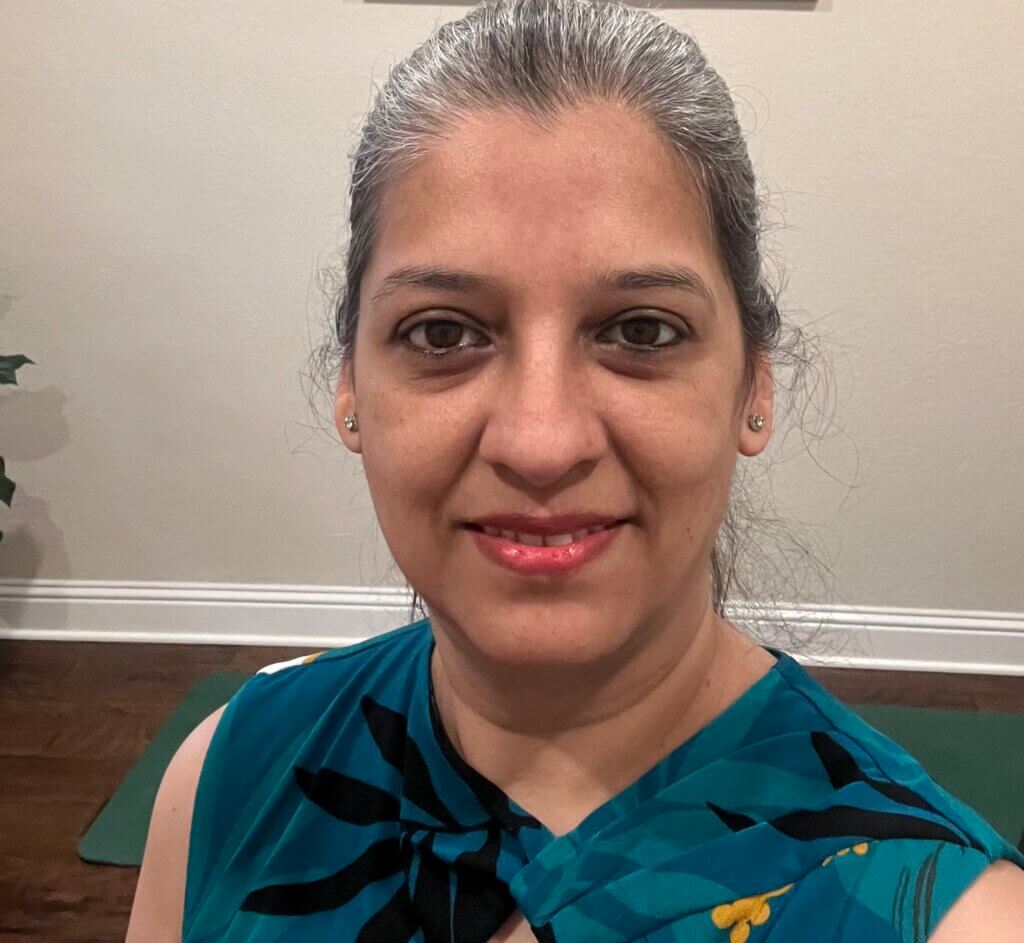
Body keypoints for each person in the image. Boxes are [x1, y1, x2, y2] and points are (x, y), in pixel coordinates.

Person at [126, 0, 1024, 939]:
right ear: (349, 385)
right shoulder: (227, 774)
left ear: (753, 384)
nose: (541, 441)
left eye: (642, 331)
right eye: (443, 333)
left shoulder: (947, 918)